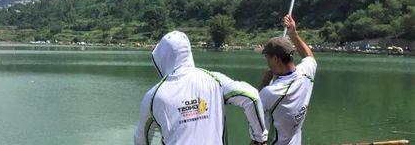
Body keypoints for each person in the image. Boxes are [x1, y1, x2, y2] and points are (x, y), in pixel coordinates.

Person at [135, 30, 268, 145]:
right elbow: (251, 96)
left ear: (162, 58)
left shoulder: (153, 96)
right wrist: (259, 139)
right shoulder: (214, 80)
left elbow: (141, 139)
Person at [259, 14, 317, 145]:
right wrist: (293, 34)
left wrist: (265, 81)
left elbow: (255, 109)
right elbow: (309, 57)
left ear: (275, 59)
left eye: (267, 58)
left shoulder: (271, 92)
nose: (267, 63)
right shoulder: (306, 73)